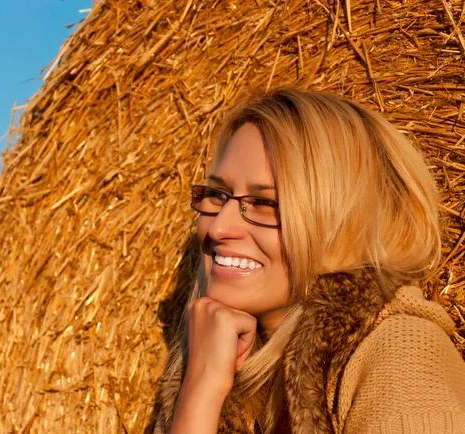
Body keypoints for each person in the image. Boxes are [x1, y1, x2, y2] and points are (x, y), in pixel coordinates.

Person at [153, 88, 465, 433]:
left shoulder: (403, 357)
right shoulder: (206, 355)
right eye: (216, 195)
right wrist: (202, 386)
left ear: (340, 223)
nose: (220, 227)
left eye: (264, 203)